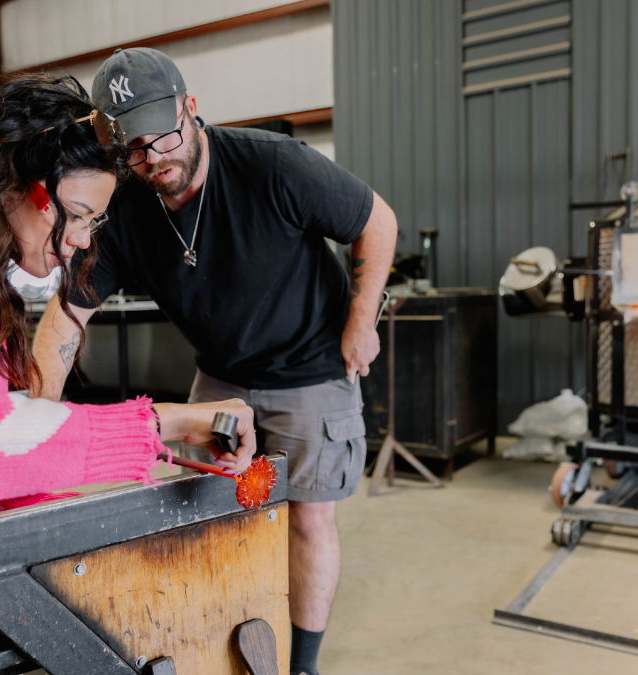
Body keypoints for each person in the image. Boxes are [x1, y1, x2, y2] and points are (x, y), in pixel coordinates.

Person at [30, 49, 397, 675]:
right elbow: (66, 314)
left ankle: (301, 666)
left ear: (190, 108)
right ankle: (219, 641)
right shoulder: (125, 206)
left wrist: (362, 324)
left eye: (164, 136)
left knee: (307, 516)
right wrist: (36, 422)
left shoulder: (274, 165)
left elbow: (376, 220)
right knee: (199, 507)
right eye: (135, 149)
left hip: (311, 364)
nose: (155, 158)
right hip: (222, 373)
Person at [0, 74, 256, 640]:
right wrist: (159, 424)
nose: (85, 240)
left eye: (96, 221)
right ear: (29, 189)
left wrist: (79, 516)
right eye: (80, 214)